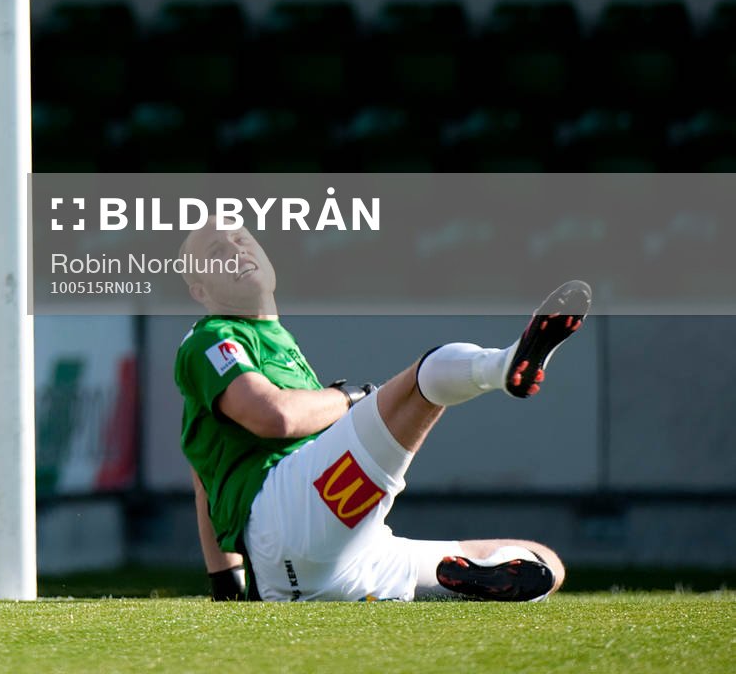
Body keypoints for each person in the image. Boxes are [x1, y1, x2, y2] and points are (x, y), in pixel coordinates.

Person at [175, 222, 588, 603]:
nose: (235, 249)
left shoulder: (270, 340)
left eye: (242, 239)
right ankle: (506, 365)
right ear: (200, 291)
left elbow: (202, 479)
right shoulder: (212, 339)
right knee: (424, 380)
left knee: (543, 564)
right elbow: (275, 417)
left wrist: (226, 584)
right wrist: (352, 397)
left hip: (314, 571)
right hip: (288, 514)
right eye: (216, 249)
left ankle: (470, 577)